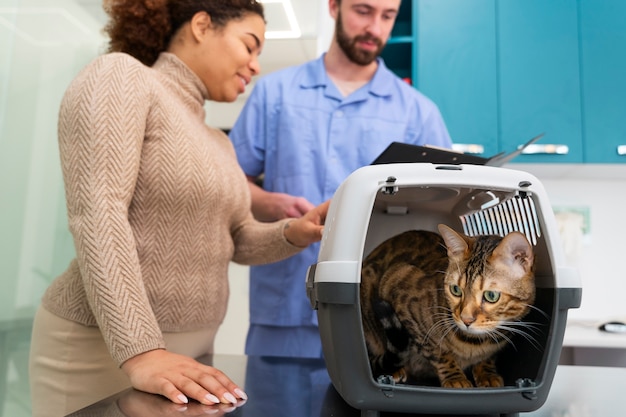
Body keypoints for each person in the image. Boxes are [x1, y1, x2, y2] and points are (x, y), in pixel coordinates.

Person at [27, 1, 329, 416]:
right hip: (104, 349)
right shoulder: (122, 76)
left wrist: (296, 231)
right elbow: (98, 212)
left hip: (188, 358)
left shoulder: (219, 143)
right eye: (250, 45)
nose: (256, 66)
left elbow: (237, 238)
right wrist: (143, 351)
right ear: (202, 26)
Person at [229, 0, 453, 358]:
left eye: (388, 16)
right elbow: (230, 182)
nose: (375, 28)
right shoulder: (275, 94)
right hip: (283, 310)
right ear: (333, 6)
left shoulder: (419, 112)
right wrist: (270, 202)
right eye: (363, 11)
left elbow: (445, 210)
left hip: (381, 319)